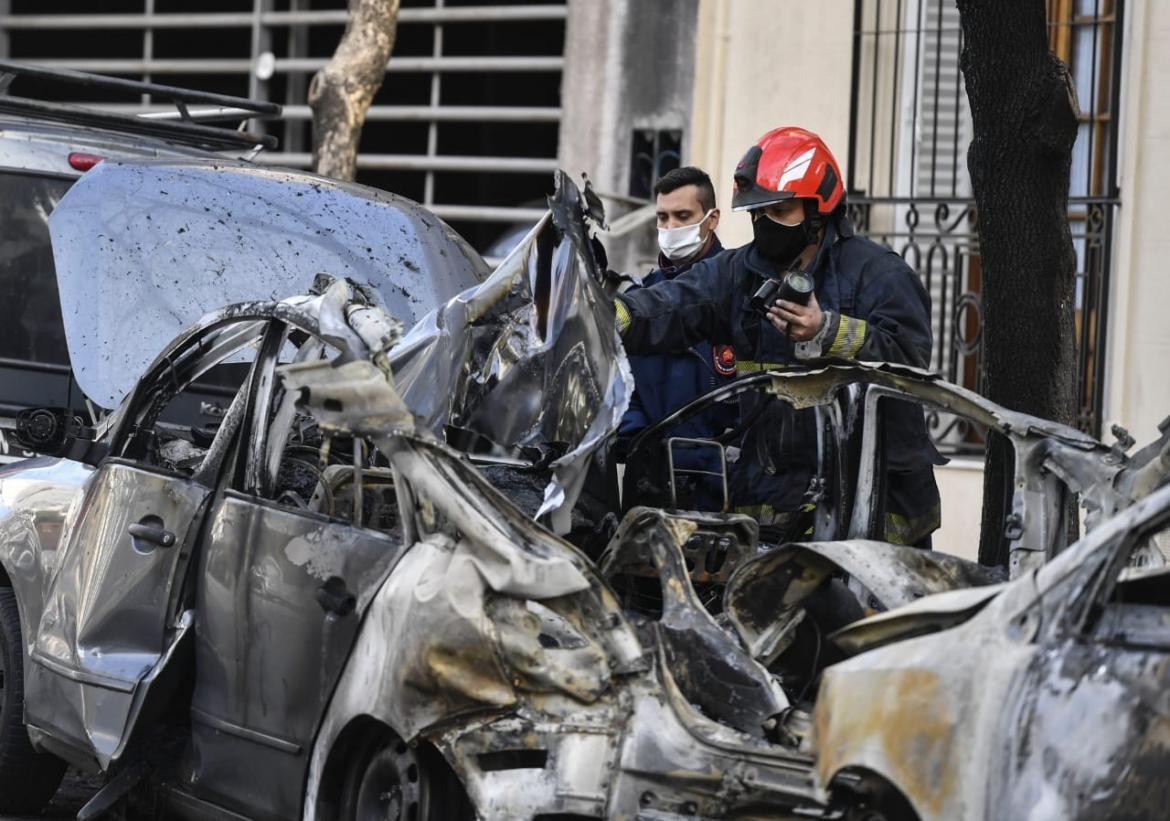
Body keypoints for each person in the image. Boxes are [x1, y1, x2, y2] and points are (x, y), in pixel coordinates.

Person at [613, 127, 942, 546]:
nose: (765, 224)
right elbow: (674, 303)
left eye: (780, 210)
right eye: (757, 213)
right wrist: (614, 315)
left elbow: (909, 360)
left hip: (872, 512)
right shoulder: (738, 273)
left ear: (819, 209)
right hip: (774, 505)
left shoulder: (880, 275)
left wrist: (828, 331)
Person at [618, 166, 738, 511]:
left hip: (723, 490)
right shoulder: (637, 302)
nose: (670, 228)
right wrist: (641, 442)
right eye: (662, 217)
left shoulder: (739, 293)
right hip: (650, 489)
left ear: (712, 219)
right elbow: (622, 389)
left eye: (682, 216)